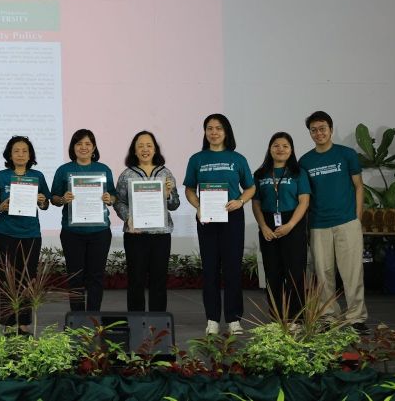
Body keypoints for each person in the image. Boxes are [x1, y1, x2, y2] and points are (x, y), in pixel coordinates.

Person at [183, 114, 255, 336]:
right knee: (210, 270)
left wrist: (240, 201)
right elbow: (189, 189)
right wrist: (198, 207)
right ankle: (212, 319)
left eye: (219, 128)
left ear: (226, 132)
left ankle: (234, 319)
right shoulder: (197, 159)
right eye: (209, 128)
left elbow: (251, 188)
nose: (214, 132)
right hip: (207, 218)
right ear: (205, 132)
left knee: (233, 269)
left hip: (232, 218)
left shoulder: (238, 159)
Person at [298, 111, 369, 334]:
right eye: (314, 130)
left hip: (347, 222)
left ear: (331, 129)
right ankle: (328, 316)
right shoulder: (305, 161)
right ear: (309, 133)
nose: (319, 133)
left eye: (322, 128)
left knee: (352, 272)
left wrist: (357, 218)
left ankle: (356, 317)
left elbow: (359, 186)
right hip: (318, 224)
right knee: (323, 273)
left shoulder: (346, 155)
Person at [0, 136, 51, 335]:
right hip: (6, 233)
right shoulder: (0, 176)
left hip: (31, 234)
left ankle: (23, 324)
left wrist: (42, 201)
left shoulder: (38, 176)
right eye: (16, 151)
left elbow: (46, 204)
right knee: (7, 279)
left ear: (30, 154)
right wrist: (0, 206)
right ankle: (8, 323)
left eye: (25, 151)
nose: (21, 154)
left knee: (27, 280)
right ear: (10, 154)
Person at [51, 129, 117, 312]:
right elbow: (53, 198)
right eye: (79, 143)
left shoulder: (103, 169)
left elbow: (114, 195)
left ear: (94, 147)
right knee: (75, 277)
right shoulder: (64, 170)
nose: (83, 147)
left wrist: (109, 199)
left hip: (100, 232)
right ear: (73, 147)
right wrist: (63, 199)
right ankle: (77, 318)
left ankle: (93, 317)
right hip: (72, 232)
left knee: (96, 277)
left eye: (88, 144)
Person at [114, 131, 180, 312]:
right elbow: (118, 201)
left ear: (155, 149)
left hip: (161, 235)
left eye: (149, 145)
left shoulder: (165, 173)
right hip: (136, 235)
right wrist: (128, 217)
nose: (145, 149)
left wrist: (169, 194)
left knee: (159, 279)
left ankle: (157, 323)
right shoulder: (127, 174)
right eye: (140, 146)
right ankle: (136, 321)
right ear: (134, 151)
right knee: (136, 280)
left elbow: (174, 204)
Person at [251, 132, 310, 320]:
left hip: (293, 225)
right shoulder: (260, 174)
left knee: (294, 274)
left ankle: (297, 319)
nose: (280, 149)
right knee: (273, 274)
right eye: (276, 145)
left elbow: (304, 201)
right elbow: (256, 204)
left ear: (291, 150)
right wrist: (263, 227)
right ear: (270, 149)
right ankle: (277, 317)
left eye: (285, 146)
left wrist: (291, 225)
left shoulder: (298, 172)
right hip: (268, 225)